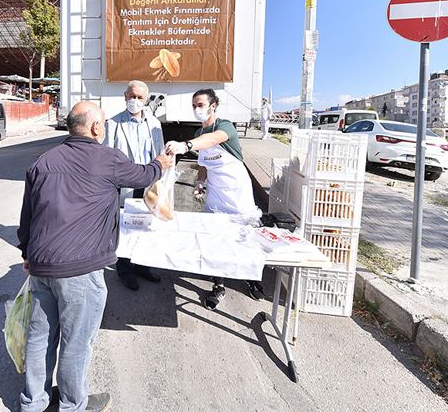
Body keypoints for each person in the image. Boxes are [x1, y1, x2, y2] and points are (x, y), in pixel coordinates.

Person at [18, 101, 173, 412]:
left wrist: (27, 253)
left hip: (40, 266)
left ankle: (33, 403)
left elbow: (28, 218)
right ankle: (73, 404)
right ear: (96, 128)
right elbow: (142, 177)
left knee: (40, 337)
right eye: (102, 122)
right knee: (76, 342)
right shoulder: (107, 158)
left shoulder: (43, 162)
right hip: (80, 269)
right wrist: (160, 163)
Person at [165, 89, 264, 310]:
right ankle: (218, 285)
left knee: (244, 237)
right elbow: (203, 161)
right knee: (216, 240)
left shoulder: (224, 126)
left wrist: (186, 145)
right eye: (194, 105)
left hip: (237, 192)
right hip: (216, 193)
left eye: (200, 104)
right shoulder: (201, 130)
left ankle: (252, 278)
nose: (196, 109)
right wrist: (201, 181)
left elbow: (214, 139)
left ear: (213, 105)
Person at [103, 80, 165, 290]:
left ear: (146, 99)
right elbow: (106, 158)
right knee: (126, 228)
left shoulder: (154, 123)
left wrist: (160, 181)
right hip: (125, 185)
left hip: (148, 183)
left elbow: (160, 154)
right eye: (132, 96)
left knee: (146, 225)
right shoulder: (113, 123)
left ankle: (142, 266)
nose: (135, 101)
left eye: (140, 98)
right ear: (125, 96)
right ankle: (125, 269)